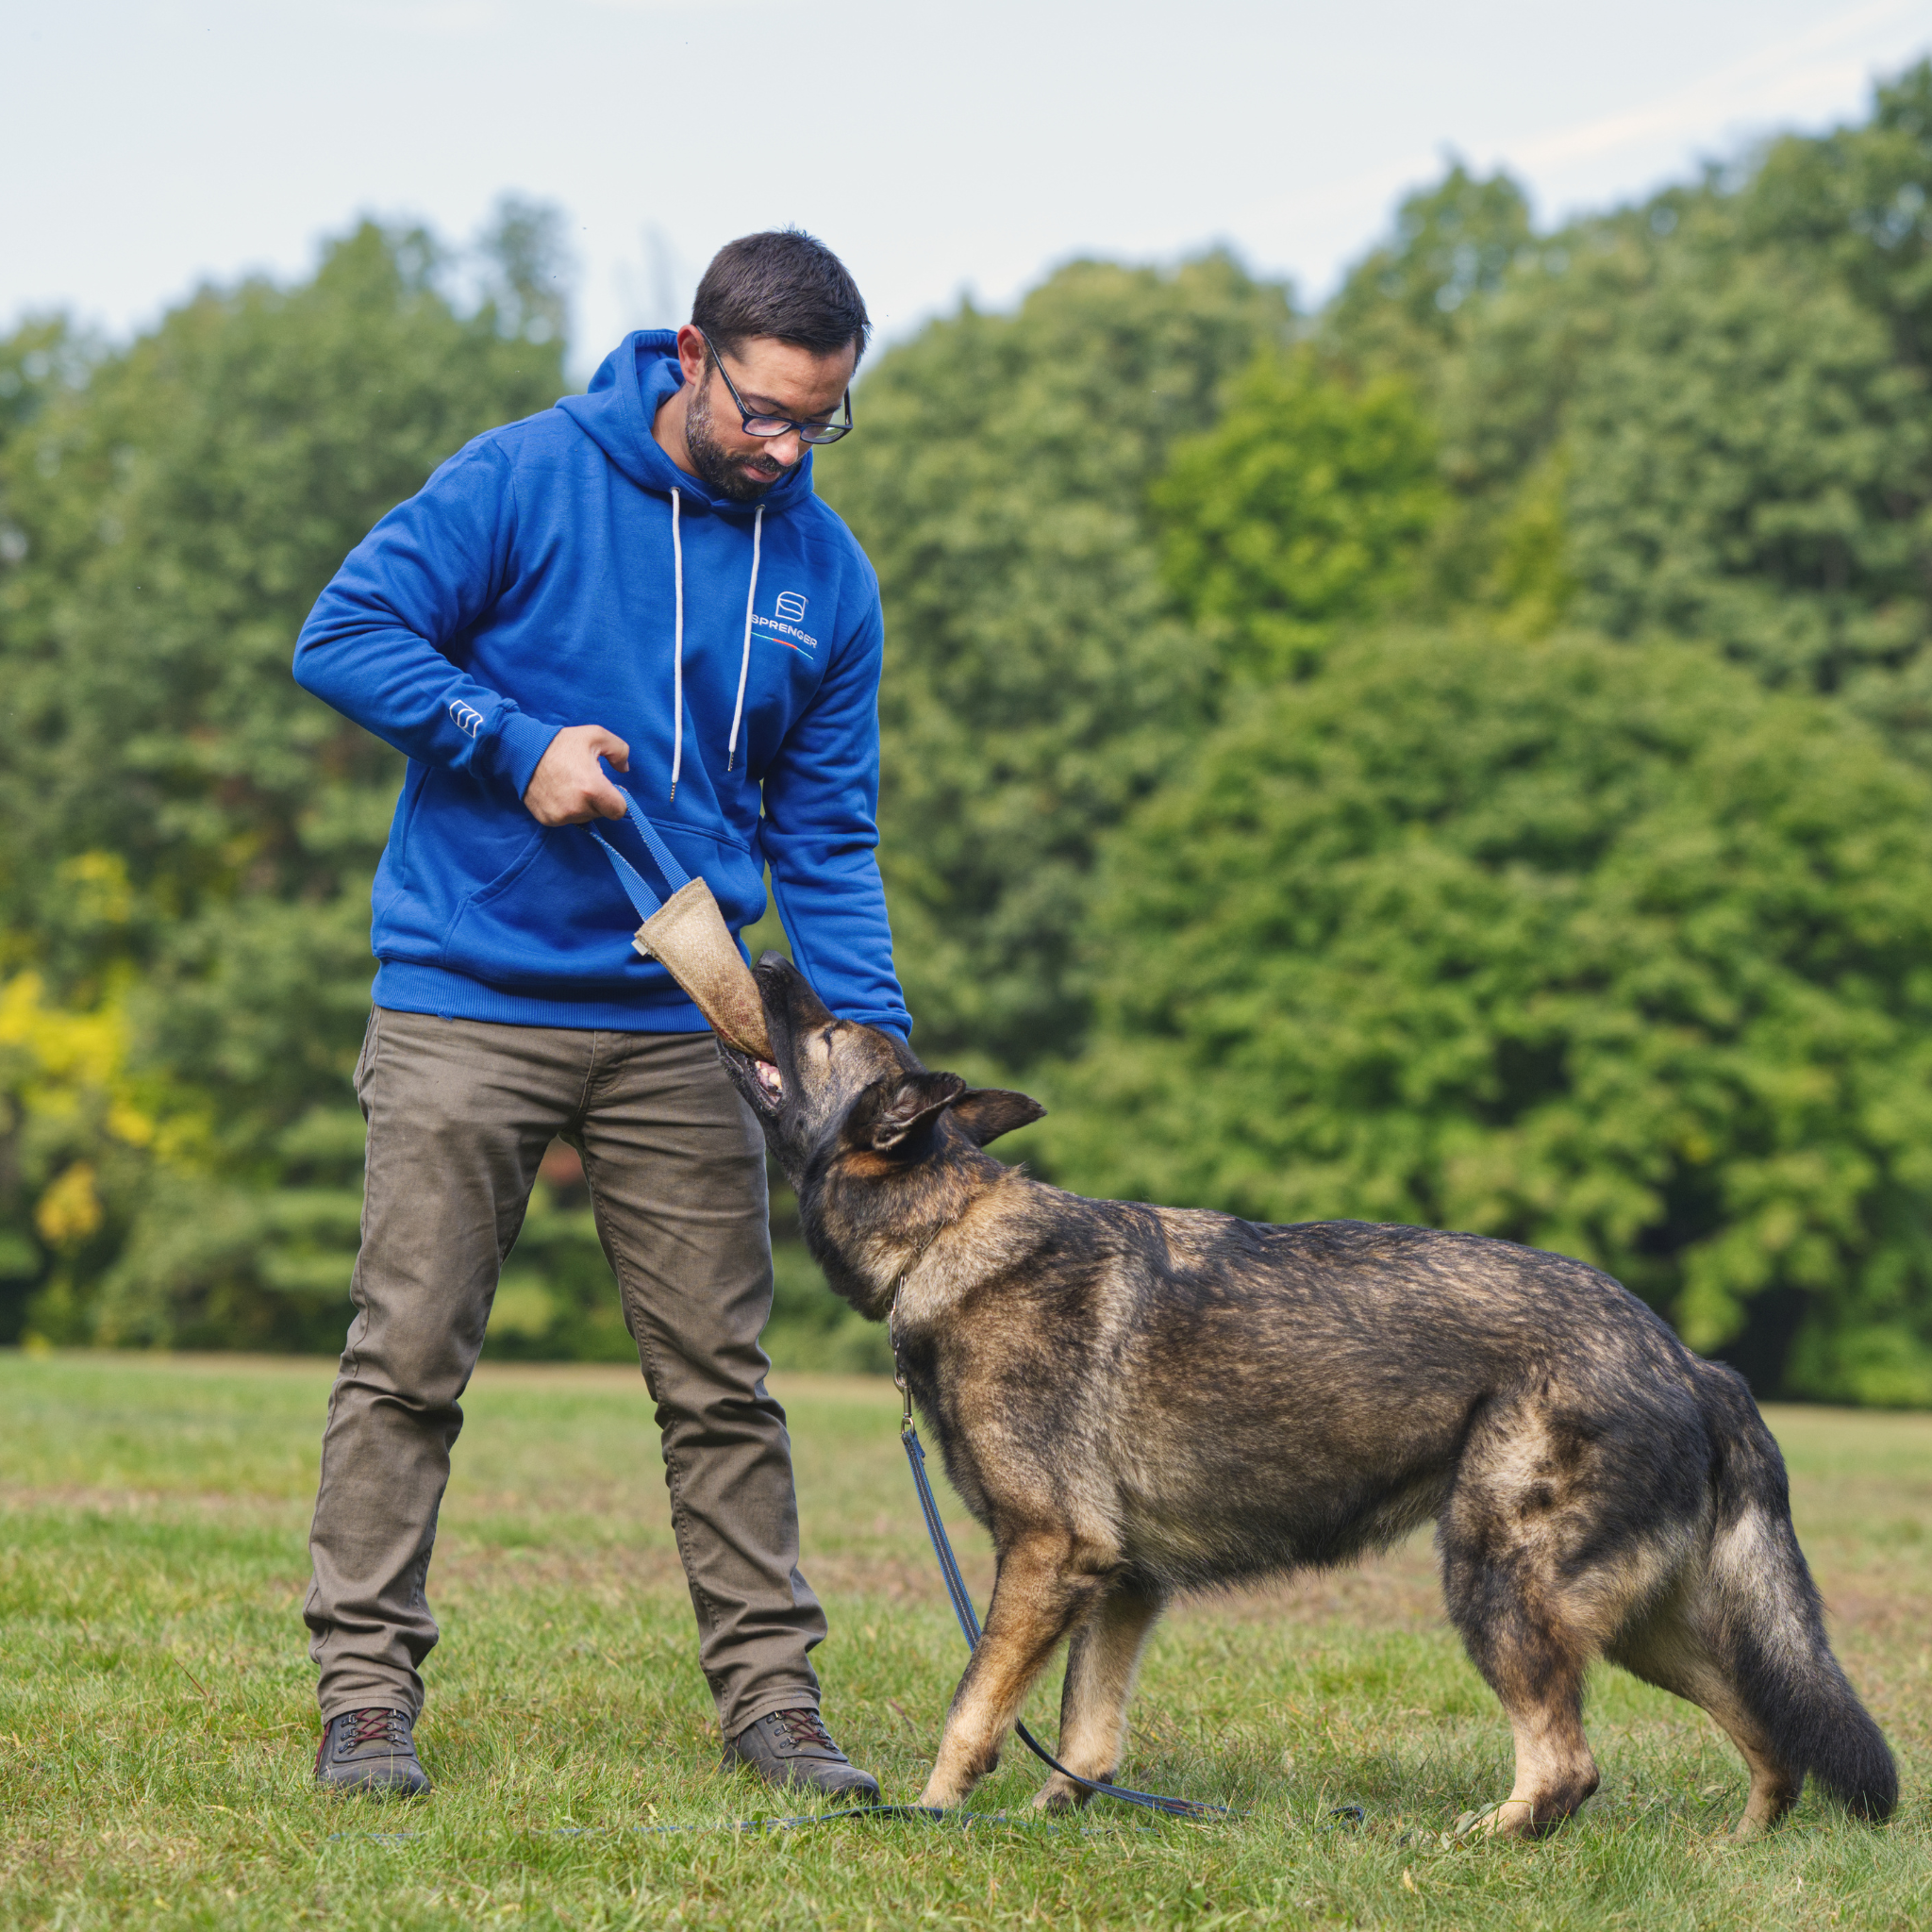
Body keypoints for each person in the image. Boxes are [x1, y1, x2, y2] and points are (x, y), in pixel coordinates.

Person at [291, 229, 908, 1803]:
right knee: (409, 1357)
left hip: (689, 1017)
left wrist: (877, 1052)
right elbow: (342, 635)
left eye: (818, 421)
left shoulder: (825, 579)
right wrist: (508, 745)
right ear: (691, 358)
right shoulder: (524, 479)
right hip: (466, 994)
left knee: (722, 1378)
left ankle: (777, 1710)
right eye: (764, 410)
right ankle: (366, 1700)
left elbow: (829, 837)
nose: (785, 449)